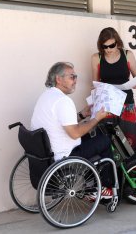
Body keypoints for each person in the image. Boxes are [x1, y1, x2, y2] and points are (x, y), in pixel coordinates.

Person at [31, 62, 114, 198]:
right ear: (58, 79)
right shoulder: (63, 101)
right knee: (104, 140)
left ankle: (92, 183)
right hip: (64, 155)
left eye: (76, 77)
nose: (75, 81)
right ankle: (104, 188)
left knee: (94, 136)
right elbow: (75, 133)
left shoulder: (47, 96)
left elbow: (62, 124)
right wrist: (96, 119)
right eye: (72, 77)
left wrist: (82, 115)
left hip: (48, 151)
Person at [91, 27, 136, 159]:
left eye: (112, 45)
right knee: (109, 142)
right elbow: (96, 84)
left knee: (130, 142)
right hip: (107, 106)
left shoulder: (127, 55)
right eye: (104, 46)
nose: (108, 49)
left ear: (118, 43)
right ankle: (112, 178)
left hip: (127, 105)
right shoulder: (96, 58)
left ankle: (133, 177)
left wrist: (133, 84)